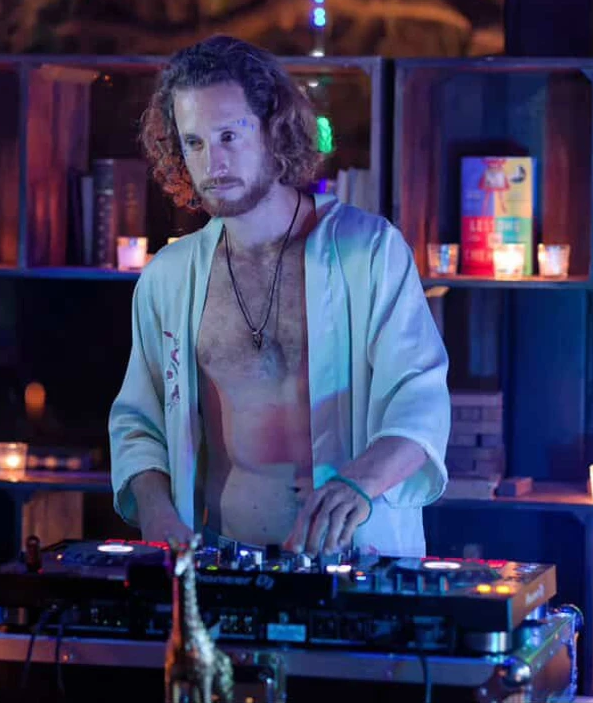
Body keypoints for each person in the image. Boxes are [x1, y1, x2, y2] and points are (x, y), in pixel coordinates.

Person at [107, 35, 450, 559]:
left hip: (357, 560)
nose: (213, 162)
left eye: (228, 135)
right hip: (221, 563)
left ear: (274, 129)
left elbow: (420, 398)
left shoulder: (369, 252)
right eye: (194, 143)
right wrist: (155, 511)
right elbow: (139, 423)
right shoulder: (169, 278)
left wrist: (359, 484)